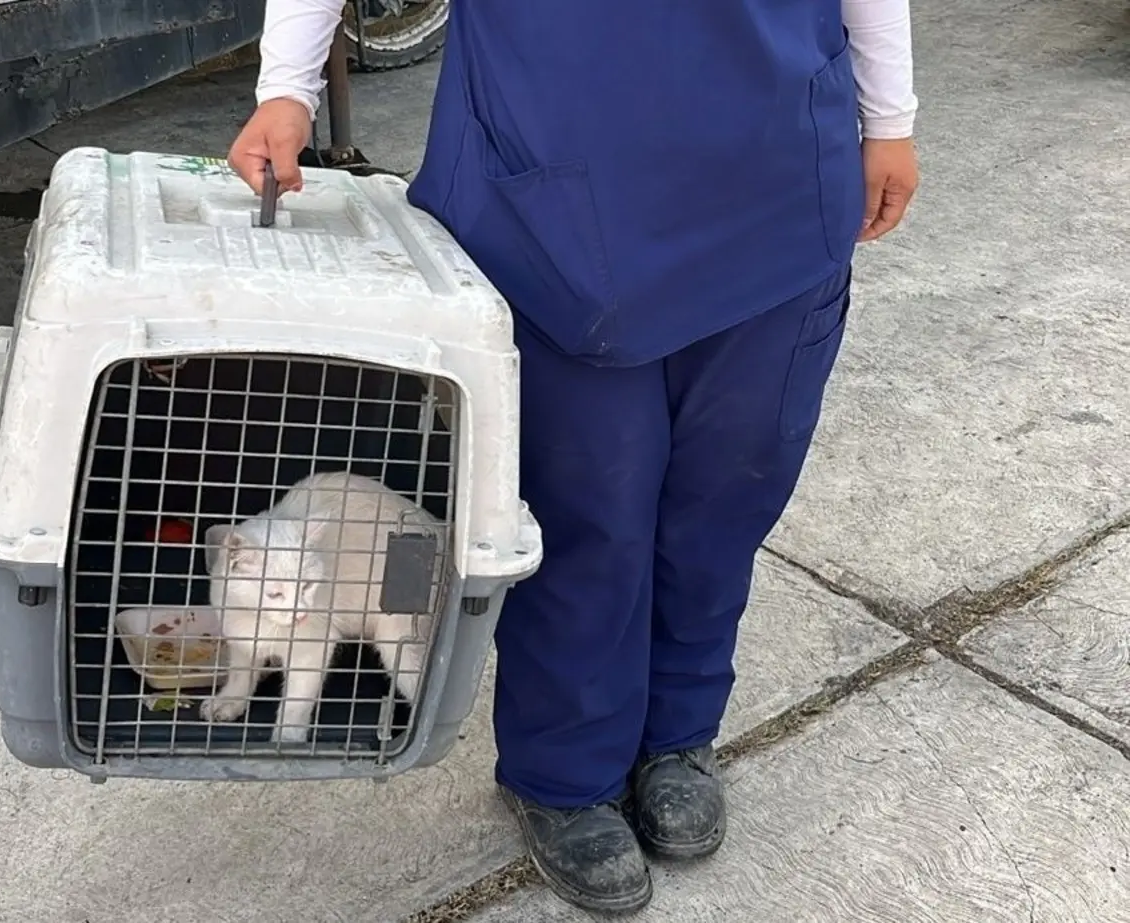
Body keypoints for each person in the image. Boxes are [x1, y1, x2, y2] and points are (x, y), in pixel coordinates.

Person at [229, 0, 919, 913]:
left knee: (728, 490)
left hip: (776, 171)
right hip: (555, 178)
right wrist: (289, 86)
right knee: (586, 506)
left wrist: (891, 119)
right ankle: (566, 770)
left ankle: (678, 732)